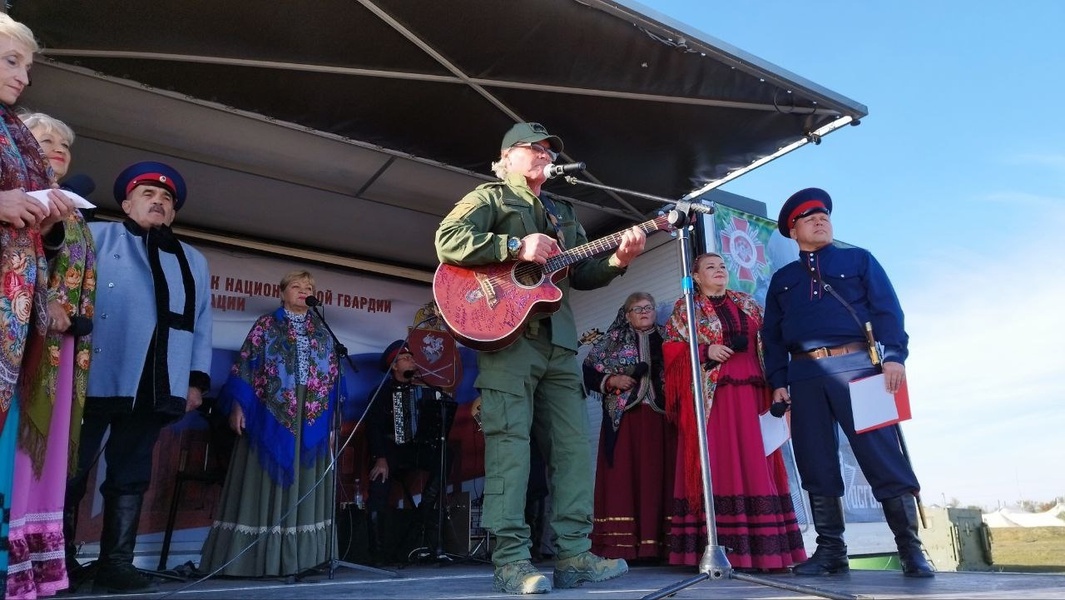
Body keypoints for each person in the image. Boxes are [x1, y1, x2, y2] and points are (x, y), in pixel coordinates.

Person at [435, 122, 645, 594]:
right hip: (508, 339)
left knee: (573, 448)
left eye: (549, 151)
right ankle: (510, 561)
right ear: (508, 156)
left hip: (560, 341)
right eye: (535, 149)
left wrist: (618, 261)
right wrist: (513, 245)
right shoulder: (489, 198)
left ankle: (574, 554)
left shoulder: (563, 210)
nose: (545, 155)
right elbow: (448, 240)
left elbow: (581, 272)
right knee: (510, 446)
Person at [762, 188, 933, 577]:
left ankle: (911, 550)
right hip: (804, 375)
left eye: (824, 215)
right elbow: (771, 336)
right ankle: (830, 553)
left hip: (860, 366)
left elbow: (888, 309)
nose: (820, 220)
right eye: (809, 218)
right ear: (793, 230)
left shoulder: (858, 259)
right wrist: (778, 380)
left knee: (883, 457)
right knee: (816, 460)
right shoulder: (783, 280)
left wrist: (893, 357)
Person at [63, 161, 213, 593]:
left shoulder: (192, 260)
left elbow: (201, 323)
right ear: (126, 203)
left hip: (155, 384)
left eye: (167, 199)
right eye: (148, 195)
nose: (159, 202)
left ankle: (116, 565)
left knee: (130, 475)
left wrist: (194, 382)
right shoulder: (94, 236)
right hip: (94, 376)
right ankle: (56, 563)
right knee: (71, 472)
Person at [661, 253, 806, 571]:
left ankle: (766, 553)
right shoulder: (687, 308)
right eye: (710, 267)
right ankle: (718, 550)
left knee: (758, 463)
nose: (719, 271)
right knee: (718, 462)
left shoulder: (749, 302)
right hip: (714, 400)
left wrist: (780, 383)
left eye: (723, 266)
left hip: (754, 395)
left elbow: (770, 342)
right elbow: (670, 347)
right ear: (696, 277)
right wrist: (704, 350)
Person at [0, 14, 77, 595]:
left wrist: (46, 219)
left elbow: (36, 241)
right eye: (9, 60)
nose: (23, 76)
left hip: (16, 310)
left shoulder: (12, 133)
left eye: (27, 65)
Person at [5, 112, 95, 599]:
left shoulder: (72, 209)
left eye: (65, 143)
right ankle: (12, 563)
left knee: (50, 452)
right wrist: (49, 302)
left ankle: (36, 567)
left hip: (64, 353)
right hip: (23, 345)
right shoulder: (22, 199)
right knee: (20, 449)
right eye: (44, 139)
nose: (58, 147)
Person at [199, 269, 340, 577]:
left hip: (310, 415)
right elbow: (245, 367)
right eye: (296, 286)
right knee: (265, 480)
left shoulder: (321, 330)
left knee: (305, 481)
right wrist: (238, 406)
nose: (303, 291)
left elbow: (331, 380)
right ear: (282, 292)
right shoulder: (266, 325)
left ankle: (305, 559)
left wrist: (329, 427)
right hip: (269, 413)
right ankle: (256, 558)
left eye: (309, 287)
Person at [581, 292, 675, 563]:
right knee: (625, 479)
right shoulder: (611, 340)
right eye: (637, 309)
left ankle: (662, 546)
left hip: (663, 419)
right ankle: (622, 547)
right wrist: (613, 380)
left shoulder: (670, 338)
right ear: (627, 313)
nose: (644, 312)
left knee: (662, 476)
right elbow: (589, 372)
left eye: (648, 307)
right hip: (624, 421)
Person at [364, 340, 454, 563]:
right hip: (389, 452)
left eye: (412, 358)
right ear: (394, 365)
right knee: (379, 484)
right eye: (406, 358)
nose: (412, 361)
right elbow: (372, 427)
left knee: (446, 453)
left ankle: (425, 508)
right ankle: (378, 554)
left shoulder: (423, 392)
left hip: (415, 450)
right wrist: (380, 458)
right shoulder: (381, 392)